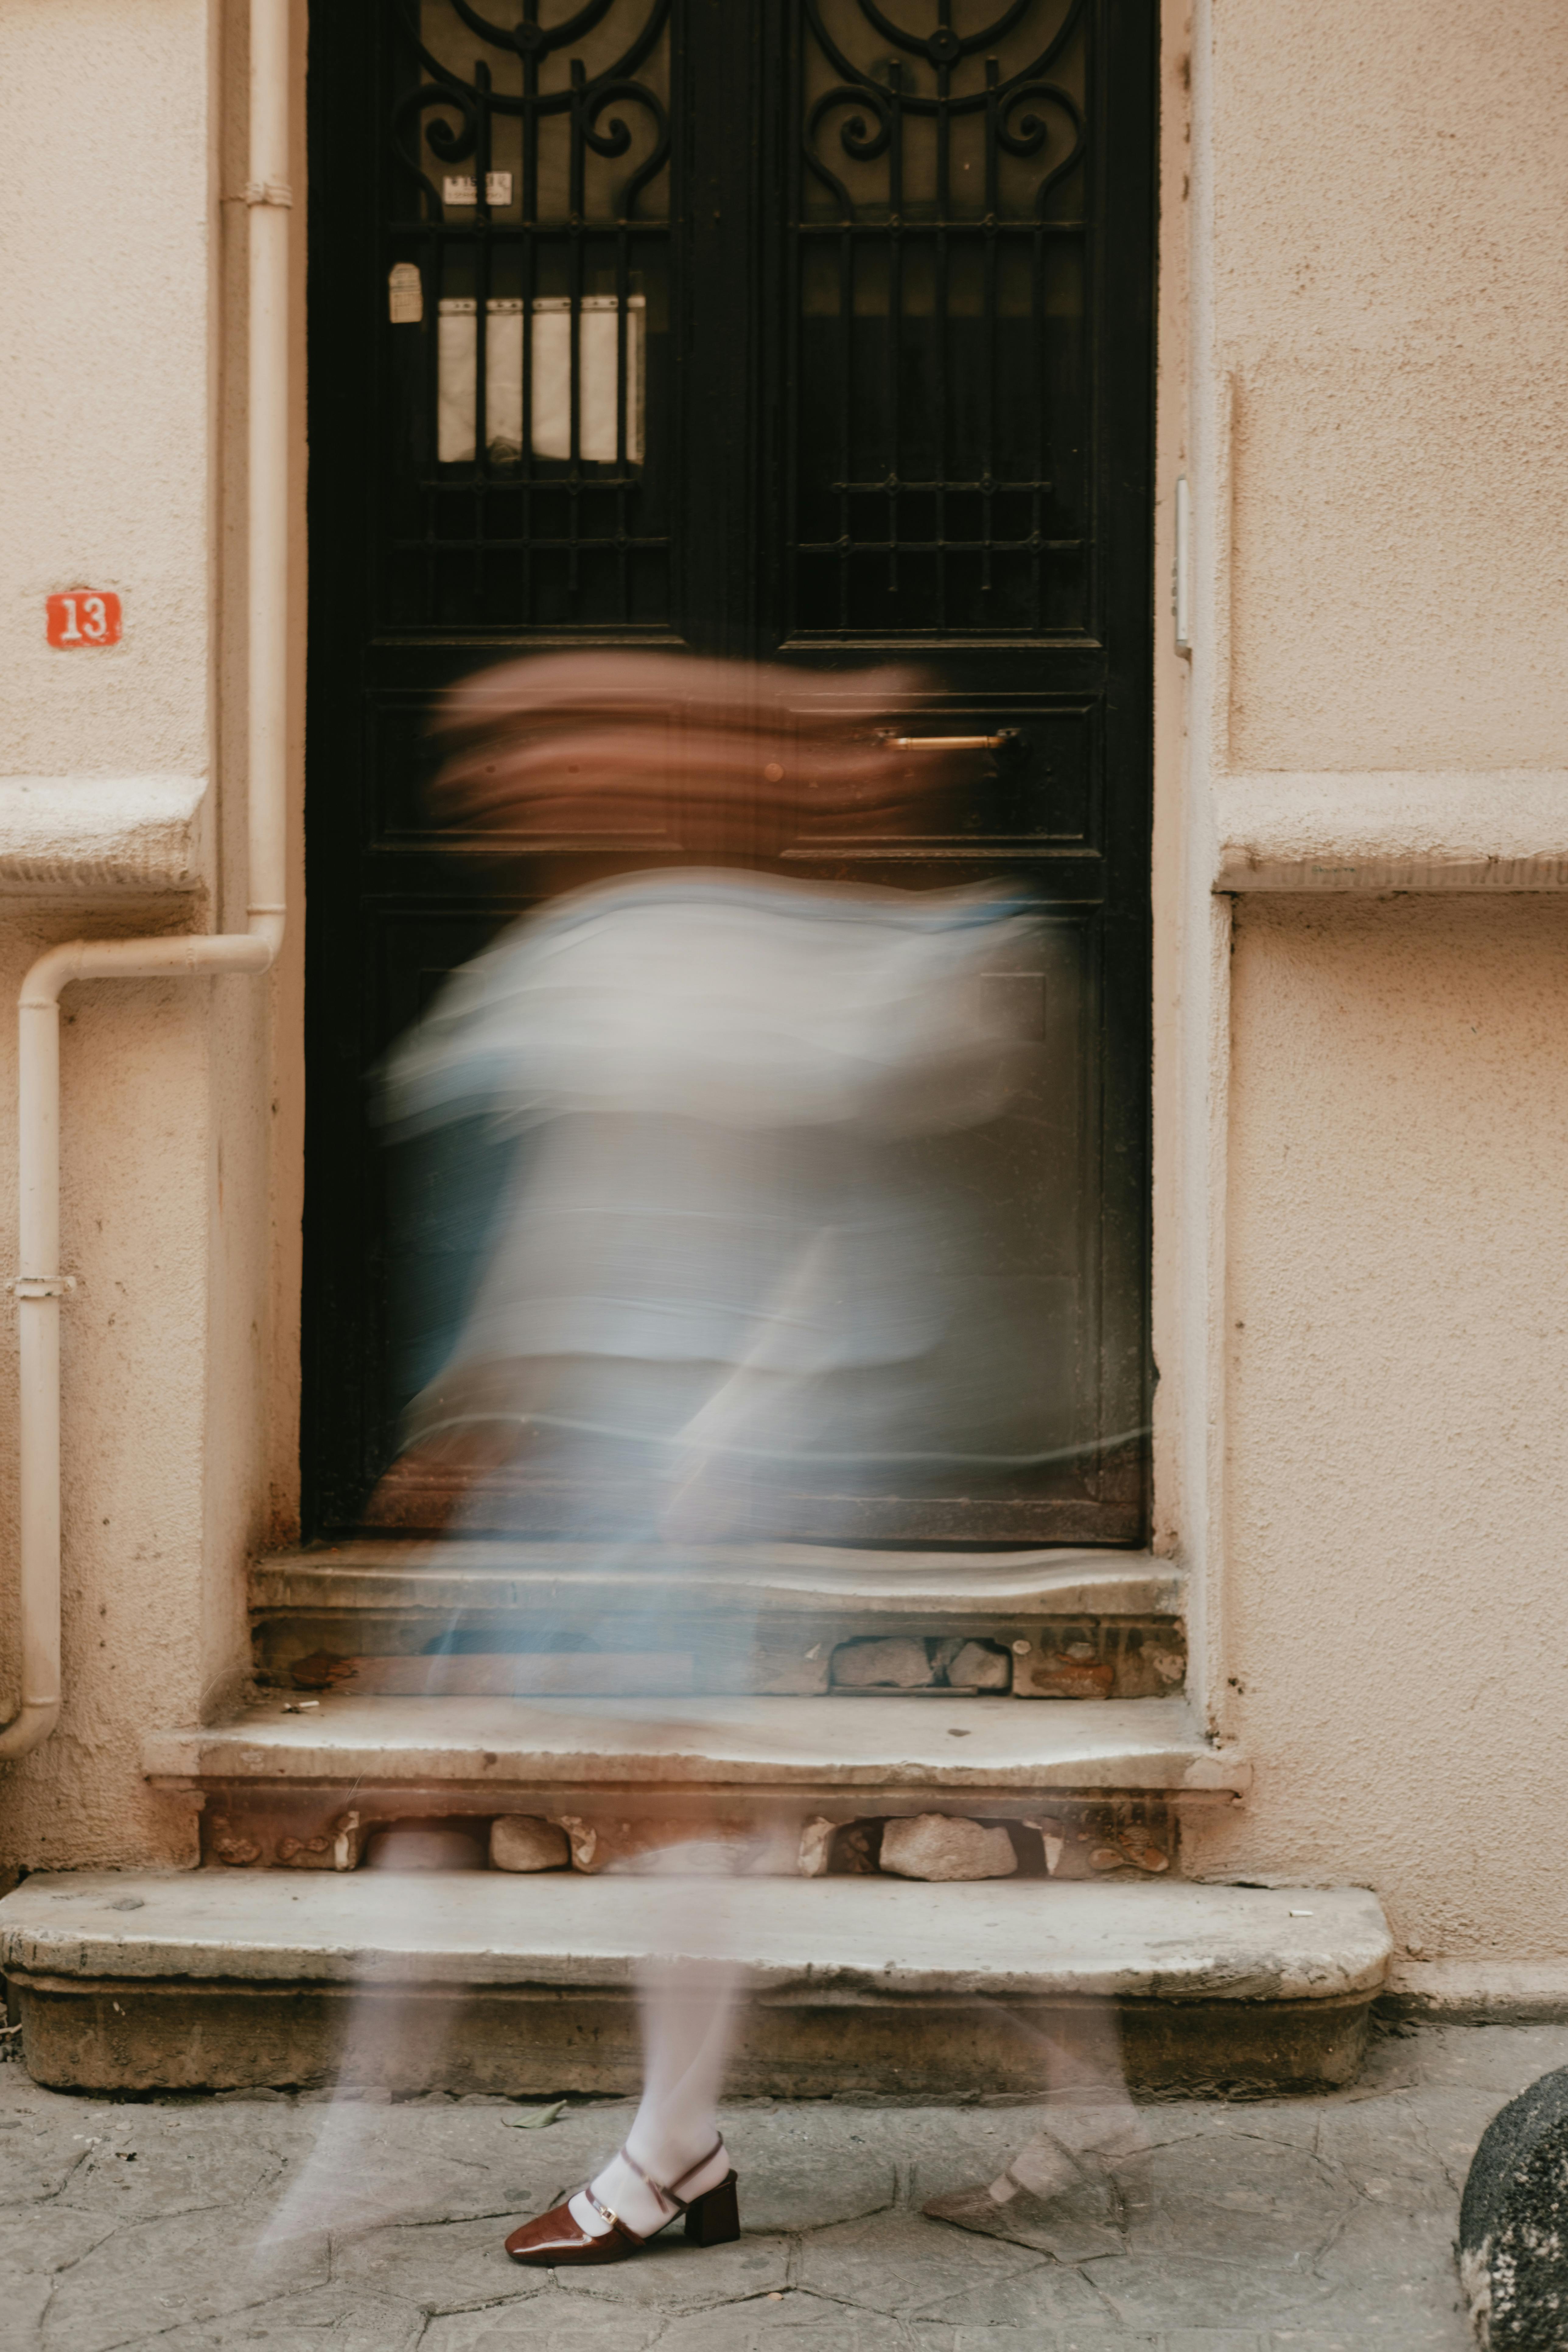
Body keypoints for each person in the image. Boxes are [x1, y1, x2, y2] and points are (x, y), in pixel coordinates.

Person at [376, 650, 1049, 2264]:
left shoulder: (794, 945)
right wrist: (487, 1407)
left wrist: (721, 1424)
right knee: (632, 1779)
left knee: (668, 1784)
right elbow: (571, 1201)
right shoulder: (608, 939)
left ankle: (670, 2154)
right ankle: (688, 2142)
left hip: (692, 1434)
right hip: (623, 1430)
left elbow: (835, 1190)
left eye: (539, 748)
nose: (493, 782)